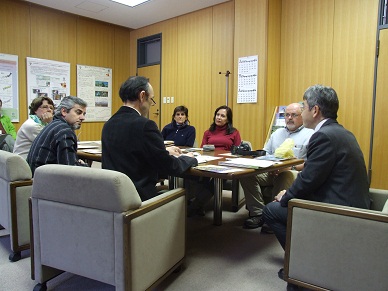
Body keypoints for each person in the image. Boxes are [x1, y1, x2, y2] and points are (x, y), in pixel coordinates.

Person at [263, 84, 370, 252]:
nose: (302, 112)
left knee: (271, 211)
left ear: (315, 110)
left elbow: (308, 180)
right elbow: (315, 174)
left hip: (339, 211)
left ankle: (299, 265)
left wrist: (286, 196)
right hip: (351, 203)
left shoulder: (323, 136)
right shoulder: (342, 132)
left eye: (303, 107)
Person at [101, 76, 198, 202]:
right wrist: (188, 159)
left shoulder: (109, 124)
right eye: (151, 100)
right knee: (182, 193)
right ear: (142, 96)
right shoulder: (145, 125)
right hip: (140, 198)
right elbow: (169, 167)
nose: (151, 105)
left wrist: (165, 151)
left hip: (113, 196)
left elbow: (131, 152)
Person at [240, 103, 314, 230]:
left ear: (302, 116)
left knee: (285, 175)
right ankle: (258, 213)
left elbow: (310, 163)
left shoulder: (310, 134)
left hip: (294, 172)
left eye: (294, 115)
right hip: (271, 170)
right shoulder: (277, 133)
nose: (289, 118)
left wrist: (290, 167)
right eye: (287, 115)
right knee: (245, 173)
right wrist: (268, 166)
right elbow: (265, 153)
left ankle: (274, 216)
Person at [187, 105, 241, 216]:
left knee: (218, 179)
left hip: (225, 163)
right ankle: (197, 204)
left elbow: (238, 151)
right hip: (208, 161)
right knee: (198, 175)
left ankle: (195, 206)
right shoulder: (208, 132)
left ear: (228, 119)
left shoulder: (234, 132)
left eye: (222, 116)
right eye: (217, 115)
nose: (219, 118)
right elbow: (202, 148)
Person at [27, 96, 88, 175]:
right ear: (64, 111)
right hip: (48, 182)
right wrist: (84, 165)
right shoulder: (64, 131)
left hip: (38, 178)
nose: (83, 118)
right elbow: (70, 170)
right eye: (78, 112)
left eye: (84, 114)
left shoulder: (54, 124)